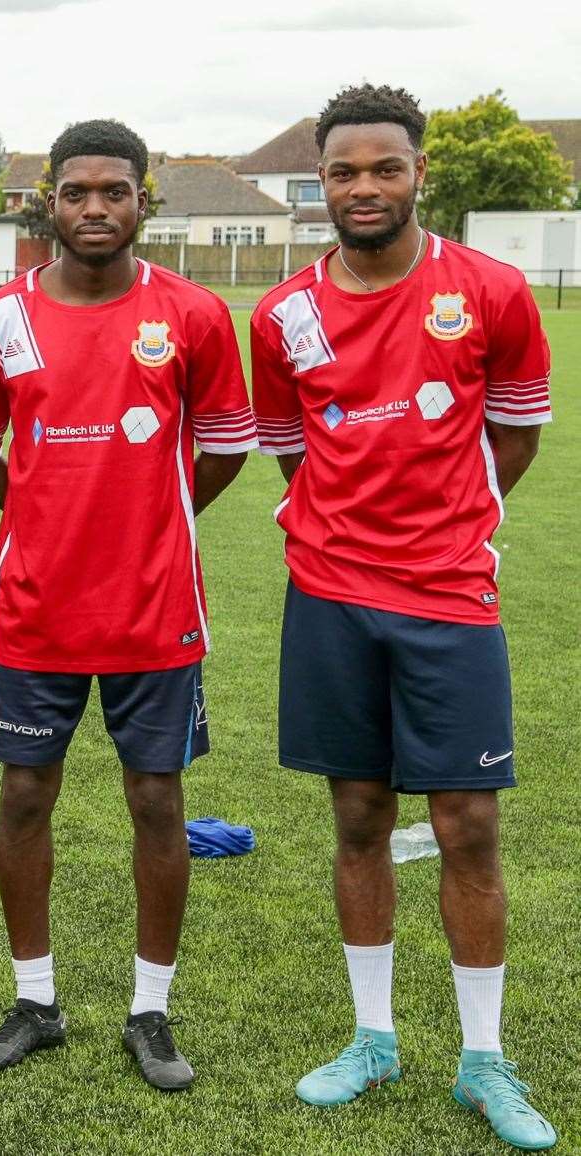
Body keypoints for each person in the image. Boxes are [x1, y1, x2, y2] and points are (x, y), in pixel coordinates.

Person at [251, 85, 556, 1150]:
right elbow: (290, 445)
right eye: (342, 171)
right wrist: (346, 526)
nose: (363, 187)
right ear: (320, 184)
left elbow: (511, 435)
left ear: (419, 172)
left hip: (448, 593)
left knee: (469, 824)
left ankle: (483, 1059)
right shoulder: (280, 313)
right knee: (357, 817)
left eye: (384, 167)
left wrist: (445, 522)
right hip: (330, 594)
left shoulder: (490, 290)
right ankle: (371, 1037)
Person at [0, 120, 254, 1091]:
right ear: (47, 199)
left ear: (140, 200)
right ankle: (33, 1001)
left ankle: (148, 1012)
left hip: (154, 609)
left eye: (111, 191)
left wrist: (148, 520)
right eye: (74, 191)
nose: (92, 208)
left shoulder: (194, 315)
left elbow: (224, 446)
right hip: (35, 612)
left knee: (156, 800)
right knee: (24, 794)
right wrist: (45, 517)